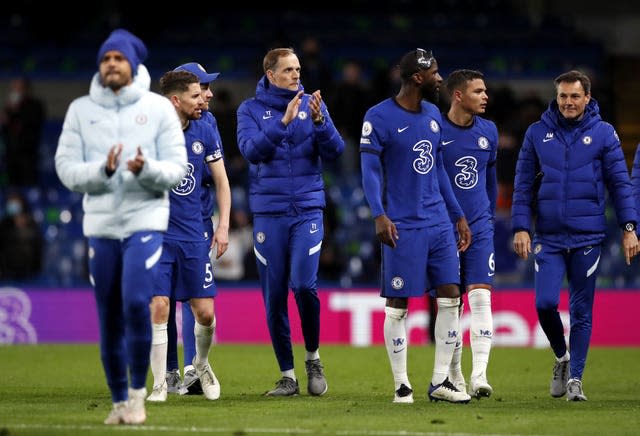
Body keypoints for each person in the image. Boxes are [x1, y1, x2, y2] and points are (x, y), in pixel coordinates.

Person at [54, 29, 187, 425]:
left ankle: (137, 394)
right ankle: (118, 401)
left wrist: (146, 170)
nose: (111, 64)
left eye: (118, 58)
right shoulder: (80, 110)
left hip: (145, 219)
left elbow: (177, 166)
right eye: (105, 58)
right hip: (101, 224)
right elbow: (65, 168)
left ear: (133, 64)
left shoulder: (159, 109)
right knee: (109, 313)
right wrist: (104, 170)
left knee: (134, 303)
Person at [511, 70, 639, 401]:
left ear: (587, 98)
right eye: (563, 96)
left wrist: (629, 228)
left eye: (575, 96)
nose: (568, 102)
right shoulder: (537, 134)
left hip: (587, 236)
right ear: (557, 98)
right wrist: (521, 226)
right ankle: (561, 357)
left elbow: (620, 185)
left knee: (582, 312)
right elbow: (523, 184)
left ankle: (576, 381)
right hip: (549, 236)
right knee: (545, 304)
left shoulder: (604, 133)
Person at [360, 48, 472, 404]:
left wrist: (457, 215)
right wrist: (378, 213)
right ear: (417, 78)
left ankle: (440, 381)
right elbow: (370, 171)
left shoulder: (434, 114)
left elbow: (439, 169)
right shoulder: (378, 117)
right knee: (398, 301)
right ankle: (401, 385)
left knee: (451, 296)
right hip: (402, 224)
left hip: (438, 221)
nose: (441, 78)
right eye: (436, 73)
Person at [236, 47, 344, 397]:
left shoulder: (314, 104)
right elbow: (251, 151)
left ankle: (312, 357)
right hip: (269, 214)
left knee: (303, 285)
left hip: (307, 210)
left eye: (298, 69)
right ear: (271, 74)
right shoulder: (249, 110)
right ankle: (288, 376)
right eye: (289, 70)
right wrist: (283, 122)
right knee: (274, 297)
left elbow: (337, 151)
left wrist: (319, 123)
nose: (297, 74)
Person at [146, 70, 230, 402]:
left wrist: (222, 225)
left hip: (195, 235)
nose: (203, 100)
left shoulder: (204, 132)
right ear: (175, 100)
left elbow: (222, 182)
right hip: (158, 237)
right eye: (196, 95)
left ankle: (201, 364)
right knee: (160, 306)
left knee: (205, 313)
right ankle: (159, 384)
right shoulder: (149, 135)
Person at [440, 69, 498, 398]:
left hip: (479, 226)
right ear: (458, 96)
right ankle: (453, 375)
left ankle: (479, 376)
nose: (485, 96)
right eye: (478, 91)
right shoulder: (435, 129)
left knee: (480, 296)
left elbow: (489, 181)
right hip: (443, 227)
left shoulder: (488, 130)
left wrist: (485, 216)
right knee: (450, 303)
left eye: (485, 90)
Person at [1, 76, 45, 187]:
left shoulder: (35, 105)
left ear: (26, 89)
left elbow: (33, 123)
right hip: (10, 153)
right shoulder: (8, 107)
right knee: (11, 184)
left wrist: (16, 110)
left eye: (19, 88)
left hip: (27, 153)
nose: (17, 91)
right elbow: (5, 128)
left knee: (28, 182)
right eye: (14, 88)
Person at [0, 190, 43, 280]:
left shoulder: (30, 221)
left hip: (28, 269)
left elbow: (37, 242)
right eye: (10, 202)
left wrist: (23, 228)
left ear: (21, 203)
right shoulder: (5, 223)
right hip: (7, 269)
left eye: (15, 201)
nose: (13, 204)